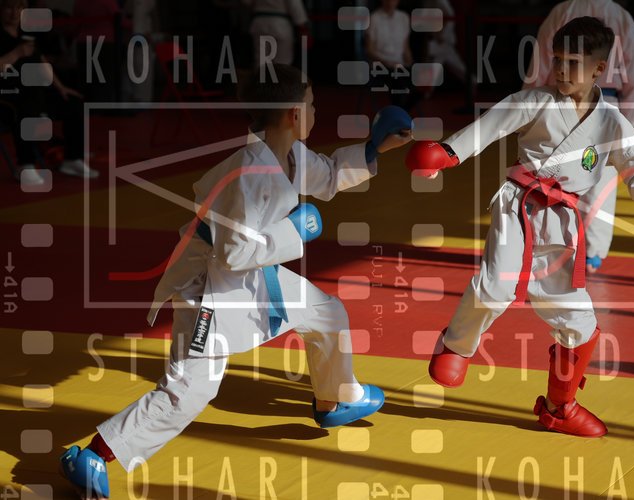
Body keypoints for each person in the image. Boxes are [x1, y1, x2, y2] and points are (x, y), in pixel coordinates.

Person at [59, 64, 413, 498]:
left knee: (326, 312)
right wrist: (294, 231)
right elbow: (233, 253)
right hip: (208, 289)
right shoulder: (249, 175)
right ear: (293, 114)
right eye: (311, 104)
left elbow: (329, 173)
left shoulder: (289, 155)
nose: (315, 111)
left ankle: (336, 398)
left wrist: (375, 148)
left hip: (248, 276)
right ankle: (94, 455)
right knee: (190, 390)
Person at [406, 17, 634, 438]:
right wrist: (449, 152)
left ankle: (560, 407)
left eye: (572, 62)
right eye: (556, 59)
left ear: (598, 69)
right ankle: (456, 345)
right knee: (496, 285)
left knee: (580, 322)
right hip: (518, 206)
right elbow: (491, 125)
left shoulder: (610, 120)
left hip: (563, 224)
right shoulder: (536, 101)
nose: (560, 69)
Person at [524, 0, 634, 272]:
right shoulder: (621, 17)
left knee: (551, 176)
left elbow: (540, 65)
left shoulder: (562, 11)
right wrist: (629, 125)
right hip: (604, 104)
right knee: (599, 180)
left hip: (561, 102)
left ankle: (547, 246)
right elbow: (633, 73)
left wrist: (528, 107)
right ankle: (592, 253)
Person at [0, 0, 98, 184]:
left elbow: (41, 60)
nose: (14, 13)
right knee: (27, 102)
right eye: (9, 8)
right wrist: (16, 54)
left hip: (34, 92)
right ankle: (25, 164)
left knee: (73, 102)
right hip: (6, 97)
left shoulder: (25, 33)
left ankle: (72, 159)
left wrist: (60, 87)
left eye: (19, 8)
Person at [365, 0, 421, 110]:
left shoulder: (404, 18)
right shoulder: (374, 18)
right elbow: (369, 50)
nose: (390, 2)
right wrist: (387, 62)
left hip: (400, 63)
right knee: (398, 78)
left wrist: (411, 63)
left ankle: (400, 109)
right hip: (380, 64)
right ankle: (399, 109)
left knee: (416, 76)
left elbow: (406, 48)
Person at [242, 0, 310, 67]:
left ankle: (261, 73)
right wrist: (302, 27)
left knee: (261, 61)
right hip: (281, 25)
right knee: (282, 63)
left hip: (261, 23)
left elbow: (246, 2)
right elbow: (295, 6)